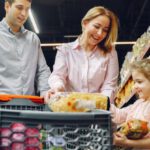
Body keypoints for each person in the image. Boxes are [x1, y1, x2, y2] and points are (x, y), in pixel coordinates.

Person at [47, 6, 119, 103]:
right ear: (85, 23)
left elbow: (109, 85)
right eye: (97, 26)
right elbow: (58, 75)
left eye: (105, 30)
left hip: (97, 111)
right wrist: (58, 87)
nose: (99, 33)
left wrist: (100, 103)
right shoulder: (65, 50)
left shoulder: (110, 53)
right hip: (70, 108)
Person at [0, 0, 51, 99]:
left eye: (27, 9)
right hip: (2, 105)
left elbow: (42, 71)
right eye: (19, 8)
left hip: (29, 105)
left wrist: (45, 91)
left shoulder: (33, 39)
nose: (24, 13)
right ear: (7, 6)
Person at [111, 58, 150, 149]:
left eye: (139, 82)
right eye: (134, 82)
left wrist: (127, 143)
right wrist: (105, 105)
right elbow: (120, 115)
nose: (135, 86)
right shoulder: (139, 103)